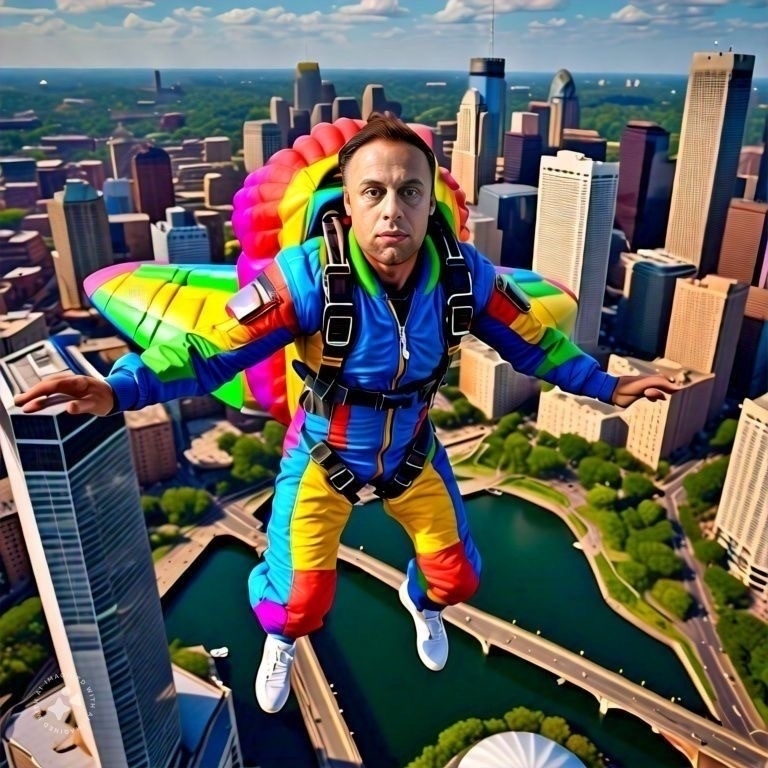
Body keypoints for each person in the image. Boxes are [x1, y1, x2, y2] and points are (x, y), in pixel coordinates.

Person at [14, 114, 678, 714]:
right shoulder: (303, 278)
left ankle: (419, 603)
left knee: (457, 577)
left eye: (410, 192)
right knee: (296, 605)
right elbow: (210, 347)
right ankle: (279, 632)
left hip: (414, 451)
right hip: (322, 454)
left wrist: (604, 385)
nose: (393, 210)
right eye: (374, 192)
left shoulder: (462, 277)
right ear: (349, 204)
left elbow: (533, 339)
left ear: (430, 204)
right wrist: (120, 388)